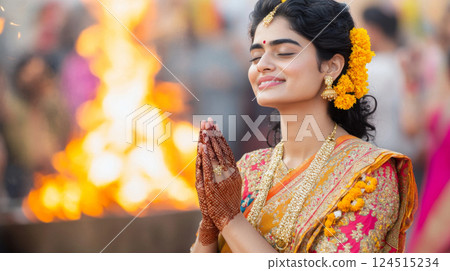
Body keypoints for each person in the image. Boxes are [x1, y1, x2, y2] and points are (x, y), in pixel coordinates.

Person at [190, 0, 417, 253]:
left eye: (284, 52)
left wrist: (231, 220)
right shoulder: (247, 168)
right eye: (255, 56)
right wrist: (211, 222)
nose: (262, 65)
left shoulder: (369, 174)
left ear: (331, 66)